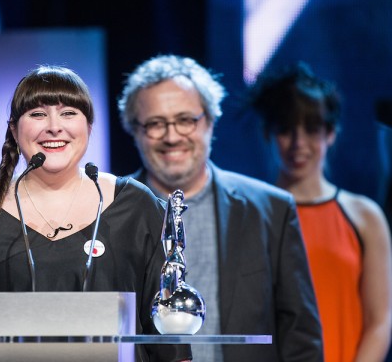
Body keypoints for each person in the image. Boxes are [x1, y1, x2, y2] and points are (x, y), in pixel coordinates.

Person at [0, 65, 193, 362]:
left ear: (88, 127)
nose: (53, 126)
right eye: (37, 114)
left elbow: (171, 340)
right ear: (13, 128)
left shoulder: (137, 207)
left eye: (69, 113)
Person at [117, 54, 323, 362]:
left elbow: (300, 337)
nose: (172, 136)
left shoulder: (271, 210)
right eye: (155, 124)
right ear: (134, 130)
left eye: (186, 120)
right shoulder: (109, 211)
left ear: (211, 121)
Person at [249, 61, 392, 362]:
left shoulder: (364, 217)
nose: (299, 143)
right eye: (286, 129)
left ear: (331, 133)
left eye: (312, 129)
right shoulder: (249, 214)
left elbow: (380, 320)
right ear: (268, 134)